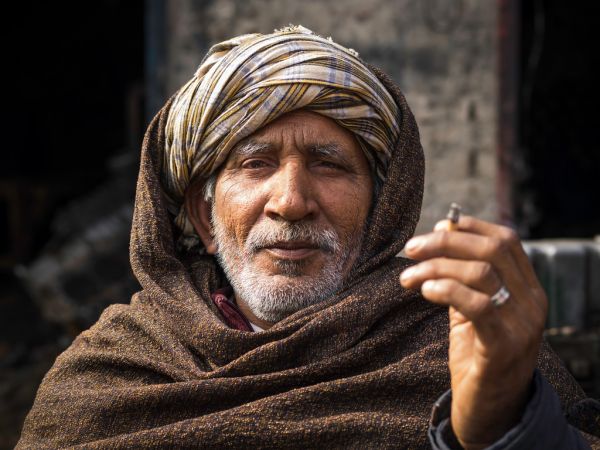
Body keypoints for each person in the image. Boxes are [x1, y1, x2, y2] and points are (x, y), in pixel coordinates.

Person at [18, 25, 599, 449]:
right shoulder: (110, 374)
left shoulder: (460, 345)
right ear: (203, 216)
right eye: (255, 164)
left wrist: (504, 426)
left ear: (380, 210)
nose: (292, 202)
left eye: (329, 164)